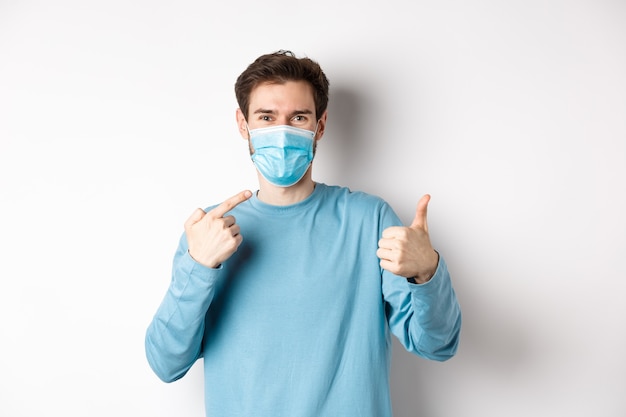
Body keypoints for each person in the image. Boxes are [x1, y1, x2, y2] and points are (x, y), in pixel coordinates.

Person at [145, 50, 461, 417]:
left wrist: (428, 273)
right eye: (266, 117)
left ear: (320, 126)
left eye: (298, 118)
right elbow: (166, 363)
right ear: (243, 124)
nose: (281, 133)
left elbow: (439, 344)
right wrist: (198, 266)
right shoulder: (210, 232)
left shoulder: (368, 221)